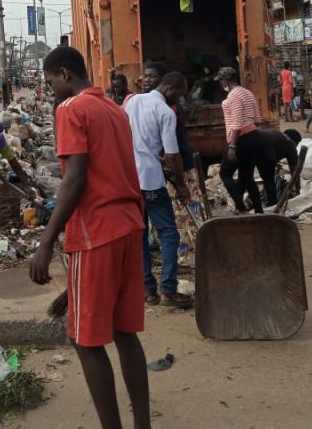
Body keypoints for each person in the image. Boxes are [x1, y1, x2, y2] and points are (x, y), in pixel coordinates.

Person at [29, 46, 151, 429]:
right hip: (130, 226)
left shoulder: (71, 109)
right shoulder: (114, 109)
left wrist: (47, 241)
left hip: (95, 232)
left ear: (64, 74)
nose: (51, 91)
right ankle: (142, 425)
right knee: (125, 333)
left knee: (85, 340)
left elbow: (75, 179)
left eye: (50, 82)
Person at [124, 72, 194, 308]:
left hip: (130, 181)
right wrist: (182, 185)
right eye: (179, 96)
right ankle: (168, 289)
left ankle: (147, 290)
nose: (178, 101)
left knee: (140, 234)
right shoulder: (165, 112)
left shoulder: (132, 102)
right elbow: (173, 155)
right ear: (172, 89)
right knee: (168, 233)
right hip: (151, 182)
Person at [217, 67, 265, 213]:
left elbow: (237, 124)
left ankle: (241, 207)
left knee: (225, 174)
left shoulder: (233, 96)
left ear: (224, 80)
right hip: (253, 135)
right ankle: (258, 210)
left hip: (240, 139)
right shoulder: (247, 92)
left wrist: (232, 146)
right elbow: (257, 119)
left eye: (220, 81)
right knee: (247, 177)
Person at [255, 127, 301, 207]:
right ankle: (272, 205)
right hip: (265, 149)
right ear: (295, 141)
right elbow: (295, 171)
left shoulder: (278, 135)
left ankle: (243, 204)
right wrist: (298, 190)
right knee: (269, 181)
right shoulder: (290, 144)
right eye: (297, 145)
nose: (296, 147)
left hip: (252, 141)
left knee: (247, 178)